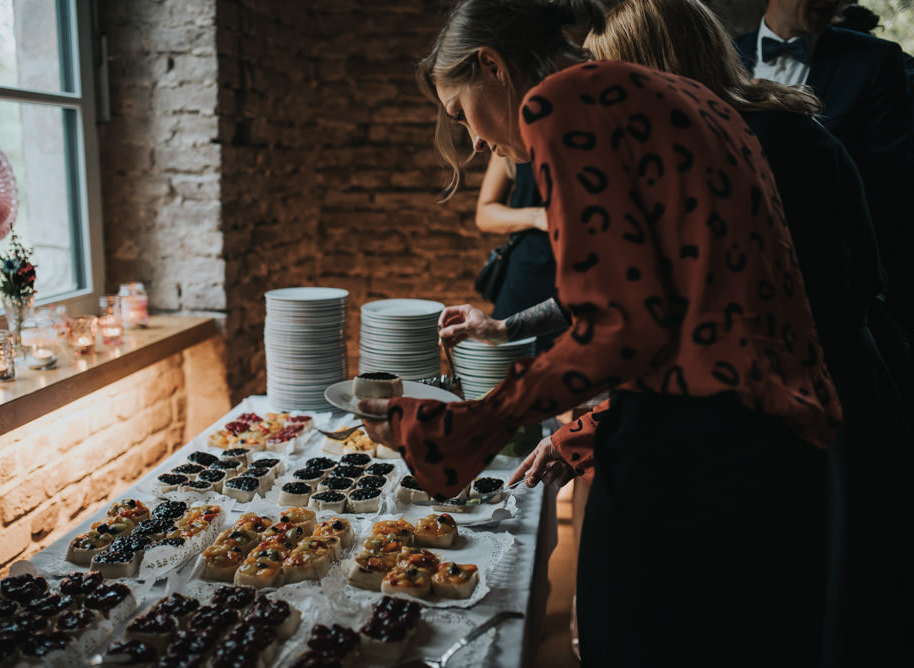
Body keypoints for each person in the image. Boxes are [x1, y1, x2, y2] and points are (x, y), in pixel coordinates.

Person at [360, 1, 842, 665]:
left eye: (459, 112)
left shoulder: (563, 100)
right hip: (771, 458)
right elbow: (671, 302)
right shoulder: (690, 98)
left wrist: (466, 428)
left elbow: (622, 325)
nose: (471, 142)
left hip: (689, 464)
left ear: (494, 67)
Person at [581, 2, 913, 666]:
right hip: (821, 389)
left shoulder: (739, 150)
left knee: (797, 607)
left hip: (805, 405)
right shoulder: (773, 130)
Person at [734, 0, 914, 404]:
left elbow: (892, 181)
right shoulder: (726, 53)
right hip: (746, 284)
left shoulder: (874, 58)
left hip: (839, 284)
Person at [475, 154, 560, 350]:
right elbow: (484, 214)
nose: (478, 144)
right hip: (528, 274)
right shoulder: (507, 141)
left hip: (584, 273)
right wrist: (537, 216)